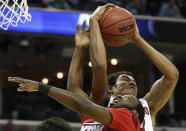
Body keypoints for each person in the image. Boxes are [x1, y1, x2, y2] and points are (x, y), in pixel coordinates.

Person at [67, 3, 179, 131]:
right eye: (125, 80)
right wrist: (81, 46)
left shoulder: (148, 106)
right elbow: (90, 74)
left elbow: (172, 76)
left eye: (133, 81)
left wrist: (137, 39)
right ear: (111, 90)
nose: (132, 82)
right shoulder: (97, 104)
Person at [8, 77, 144, 131]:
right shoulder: (97, 120)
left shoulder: (128, 117)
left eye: (127, 98)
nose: (120, 96)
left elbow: (82, 105)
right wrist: (79, 48)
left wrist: (41, 87)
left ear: (136, 113)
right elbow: (73, 88)